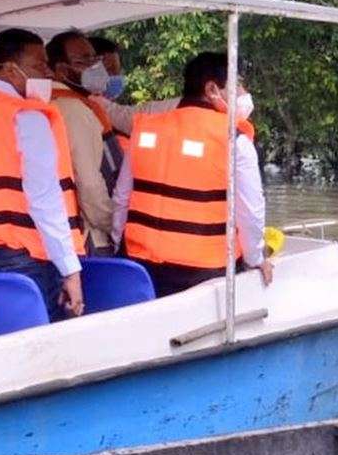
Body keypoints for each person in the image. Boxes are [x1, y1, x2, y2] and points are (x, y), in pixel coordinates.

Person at [0, 28, 86, 320]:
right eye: (39, 65)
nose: (47, 72)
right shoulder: (26, 116)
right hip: (23, 260)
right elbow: (45, 199)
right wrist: (70, 270)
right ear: (11, 68)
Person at [112, 51, 272, 295]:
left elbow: (122, 198)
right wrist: (256, 257)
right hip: (203, 271)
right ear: (212, 89)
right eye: (237, 86)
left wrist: (117, 243)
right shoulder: (234, 139)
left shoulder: (145, 130)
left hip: (140, 264)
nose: (243, 95)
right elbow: (250, 210)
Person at [45, 31, 121, 255]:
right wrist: (114, 224)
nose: (94, 66)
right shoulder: (74, 109)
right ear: (61, 70)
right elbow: (88, 183)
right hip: (89, 235)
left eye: (94, 59)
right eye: (84, 61)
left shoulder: (43, 102)